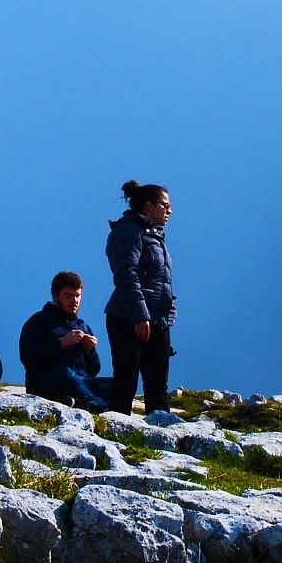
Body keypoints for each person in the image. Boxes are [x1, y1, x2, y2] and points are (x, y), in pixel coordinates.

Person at [105, 178, 177, 417]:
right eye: (164, 205)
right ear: (148, 206)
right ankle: (117, 436)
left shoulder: (153, 236)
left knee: (158, 386)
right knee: (126, 383)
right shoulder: (129, 232)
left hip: (156, 320)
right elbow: (126, 274)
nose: (169, 210)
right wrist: (139, 317)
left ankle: (160, 443)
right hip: (128, 318)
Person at [19, 272, 115, 410]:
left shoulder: (83, 326)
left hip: (79, 382)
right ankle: (98, 406)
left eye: (77, 296)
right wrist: (61, 343)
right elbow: (27, 357)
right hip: (45, 384)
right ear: (55, 295)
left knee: (120, 384)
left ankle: (76, 402)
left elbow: (93, 371)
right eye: (68, 296)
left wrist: (90, 351)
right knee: (65, 373)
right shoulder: (38, 321)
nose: (74, 301)